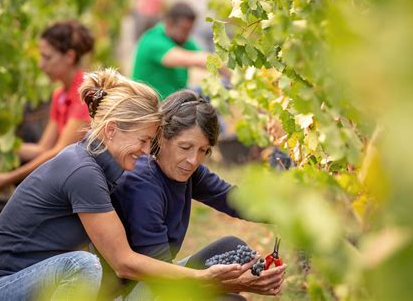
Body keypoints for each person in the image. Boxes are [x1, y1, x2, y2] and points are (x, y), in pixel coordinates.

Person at [0, 69, 247, 301]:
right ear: (111, 130)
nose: (147, 151)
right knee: (81, 266)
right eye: (144, 140)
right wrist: (203, 279)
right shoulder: (82, 170)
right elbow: (124, 262)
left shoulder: (100, 165)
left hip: (27, 285)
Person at [111, 90, 286, 300]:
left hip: (157, 279)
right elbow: (161, 285)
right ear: (161, 136)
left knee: (232, 247)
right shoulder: (142, 185)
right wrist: (238, 284)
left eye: (203, 150)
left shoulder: (185, 171)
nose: (193, 160)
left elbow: (234, 200)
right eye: (185, 147)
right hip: (128, 292)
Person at [0, 20, 94, 192]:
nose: (41, 64)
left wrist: (7, 179)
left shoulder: (85, 94)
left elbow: (58, 152)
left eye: (47, 57)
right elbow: (43, 149)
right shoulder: (59, 95)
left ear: (69, 57)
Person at [131, 1, 210, 99]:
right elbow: (196, 59)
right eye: (184, 30)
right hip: (149, 106)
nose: (186, 36)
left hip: (172, 101)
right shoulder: (153, 40)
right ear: (169, 24)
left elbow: (204, 57)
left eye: (189, 31)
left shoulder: (182, 40)